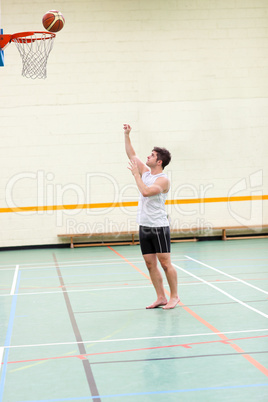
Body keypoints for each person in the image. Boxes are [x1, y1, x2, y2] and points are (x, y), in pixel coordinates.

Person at [124, 123, 180, 309]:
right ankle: (160, 297)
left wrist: (135, 176)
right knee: (150, 264)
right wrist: (127, 135)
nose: (148, 156)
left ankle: (174, 297)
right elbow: (132, 155)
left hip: (158, 227)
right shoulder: (147, 172)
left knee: (165, 263)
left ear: (159, 162)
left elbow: (147, 192)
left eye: (152, 155)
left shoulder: (162, 180)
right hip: (144, 225)